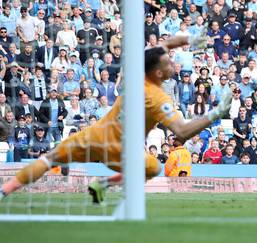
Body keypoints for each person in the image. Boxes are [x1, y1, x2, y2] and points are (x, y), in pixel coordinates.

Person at [0, 36, 234, 203]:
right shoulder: (159, 98)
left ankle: (5, 191)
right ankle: (105, 183)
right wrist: (215, 113)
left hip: (93, 136)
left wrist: (189, 41)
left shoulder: (140, 74)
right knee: (153, 167)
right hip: (120, 151)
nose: (173, 63)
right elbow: (181, 132)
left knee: (48, 158)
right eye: (169, 63)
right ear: (160, 73)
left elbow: (163, 46)